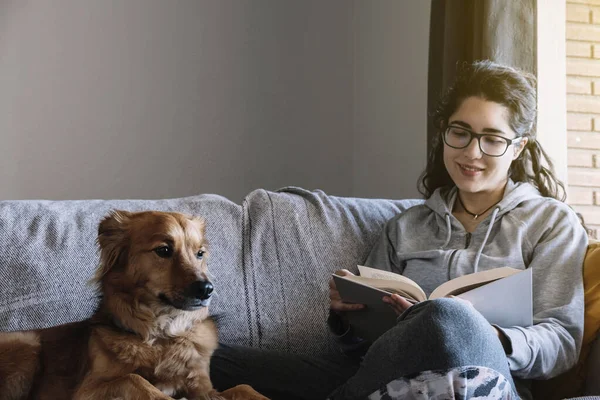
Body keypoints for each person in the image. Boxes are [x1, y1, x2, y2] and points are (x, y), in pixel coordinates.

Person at [210, 60, 587, 400]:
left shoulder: (551, 223)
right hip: (387, 375)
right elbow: (362, 351)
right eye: (461, 132)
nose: (472, 152)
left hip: (483, 379)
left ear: (517, 148)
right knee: (209, 359)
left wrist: (492, 334)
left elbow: (562, 342)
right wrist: (348, 318)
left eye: (492, 139)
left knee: (448, 317)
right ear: (445, 133)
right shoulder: (406, 226)